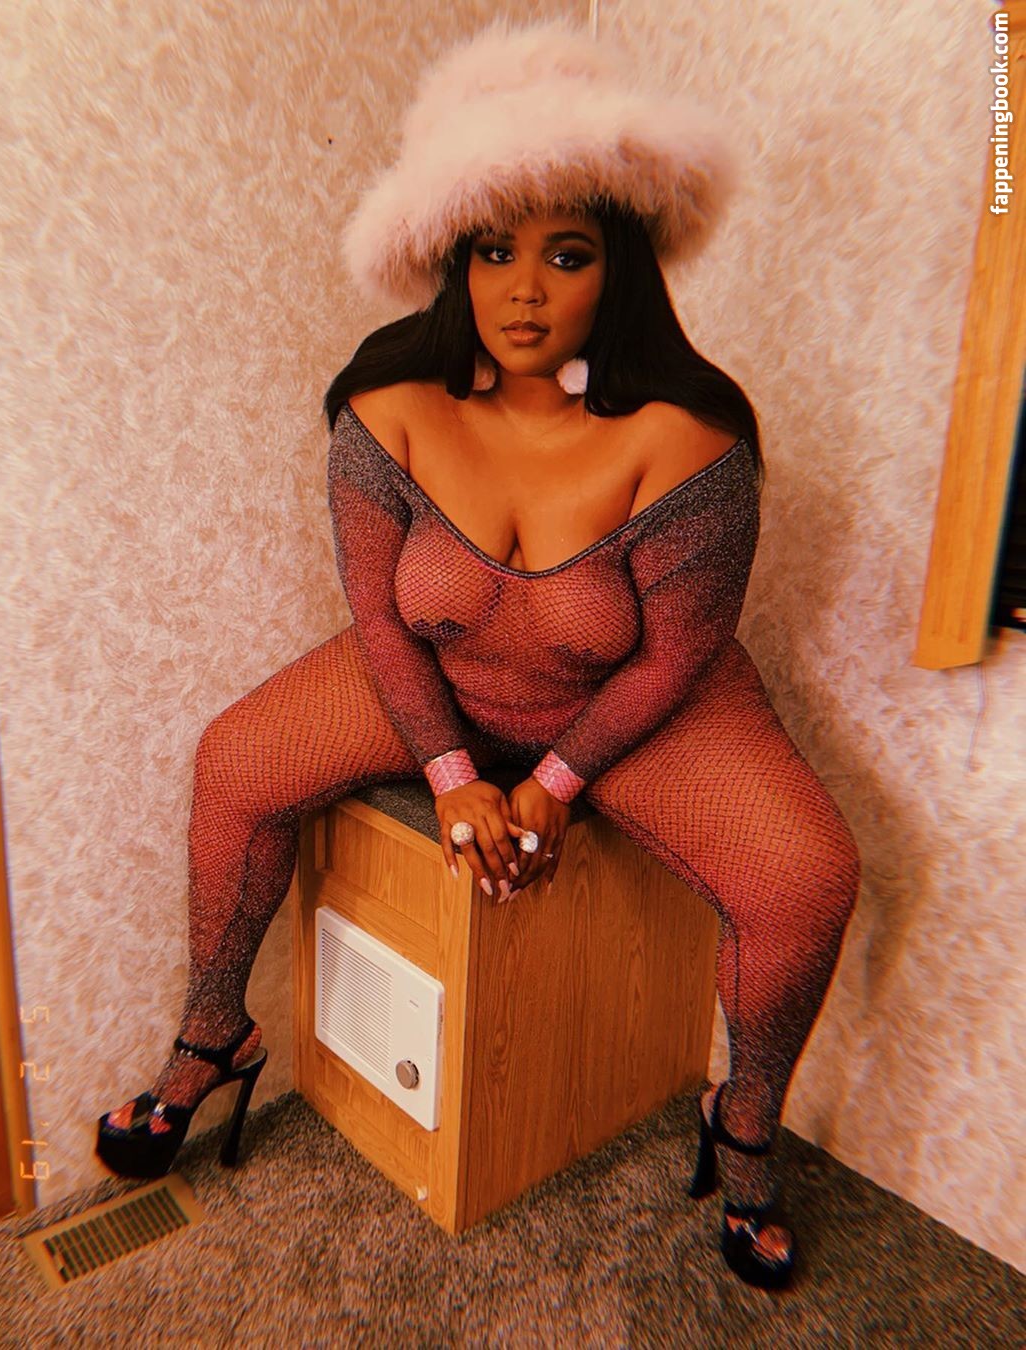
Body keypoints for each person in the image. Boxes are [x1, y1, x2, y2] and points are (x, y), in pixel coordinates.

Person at [96, 18, 860, 1292]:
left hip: (637, 699)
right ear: (451, 258)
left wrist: (553, 784)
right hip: (443, 678)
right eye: (493, 250)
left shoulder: (694, 439)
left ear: (621, 270)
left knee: (809, 881)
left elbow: (675, 655)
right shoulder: (384, 405)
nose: (524, 291)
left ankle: (743, 1125)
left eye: (566, 254)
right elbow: (378, 615)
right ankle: (213, 1035)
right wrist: (454, 775)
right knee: (234, 761)